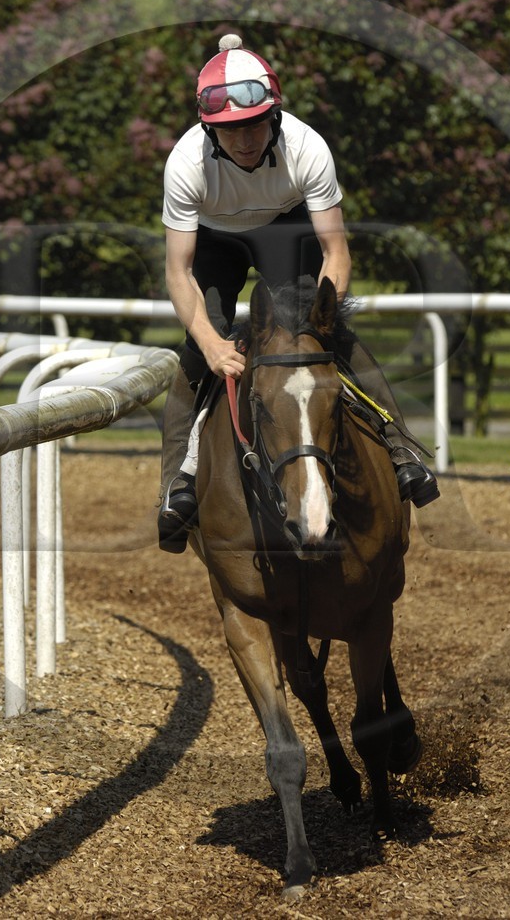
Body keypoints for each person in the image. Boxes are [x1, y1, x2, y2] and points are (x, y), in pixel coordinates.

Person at [156, 32, 439, 552]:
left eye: (255, 124)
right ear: (208, 128)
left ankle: (402, 449)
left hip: (286, 228)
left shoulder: (308, 147)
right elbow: (180, 271)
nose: (244, 139)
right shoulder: (184, 163)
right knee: (200, 348)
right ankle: (177, 483)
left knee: (333, 336)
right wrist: (215, 344)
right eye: (230, 130)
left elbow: (335, 251)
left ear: (275, 116)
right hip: (213, 236)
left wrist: (325, 317)